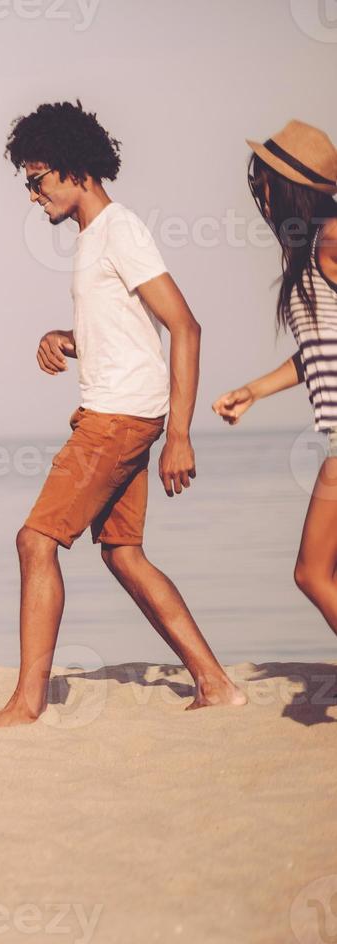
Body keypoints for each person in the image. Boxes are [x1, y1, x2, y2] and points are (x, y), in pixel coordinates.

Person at [0, 101, 245, 728]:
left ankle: (26, 704)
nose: (33, 196)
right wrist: (67, 336)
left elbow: (185, 326)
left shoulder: (119, 229)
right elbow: (123, 328)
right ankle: (216, 684)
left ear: (74, 169)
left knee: (35, 540)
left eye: (37, 180)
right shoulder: (96, 239)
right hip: (124, 410)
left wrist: (180, 435)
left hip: (117, 419)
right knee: (123, 553)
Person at [212, 120, 337, 633]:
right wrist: (254, 391)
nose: (258, 191)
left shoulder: (331, 239)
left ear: (290, 187)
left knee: (311, 573)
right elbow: (320, 351)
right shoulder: (313, 248)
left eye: (263, 180)